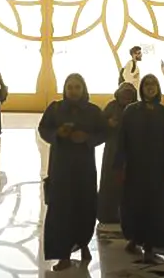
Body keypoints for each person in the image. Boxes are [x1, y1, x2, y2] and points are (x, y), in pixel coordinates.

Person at [38, 73, 106, 271]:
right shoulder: (55, 108)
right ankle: (63, 255)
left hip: (84, 168)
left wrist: (87, 138)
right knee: (61, 209)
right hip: (61, 167)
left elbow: (103, 132)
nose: (73, 91)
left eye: (77, 87)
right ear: (65, 89)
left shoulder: (93, 111)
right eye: (70, 87)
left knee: (84, 205)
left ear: (83, 89)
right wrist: (57, 134)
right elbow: (43, 129)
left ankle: (83, 243)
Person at [116, 74, 164, 263]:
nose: (150, 88)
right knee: (134, 205)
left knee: (155, 208)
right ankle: (135, 238)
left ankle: (150, 245)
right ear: (141, 88)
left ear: (158, 88)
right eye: (147, 84)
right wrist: (119, 166)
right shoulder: (130, 111)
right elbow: (122, 141)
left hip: (157, 171)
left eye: (154, 84)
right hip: (135, 170)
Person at [97, 81, 137, 225]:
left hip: (131, 152)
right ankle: (107, 213)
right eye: (124, 94)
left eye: (129, 95)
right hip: (112, 151)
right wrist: (108, 124)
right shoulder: (112, 107)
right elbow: (99, 125)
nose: (126, 98)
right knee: (110, 182)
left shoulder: (136, 109)